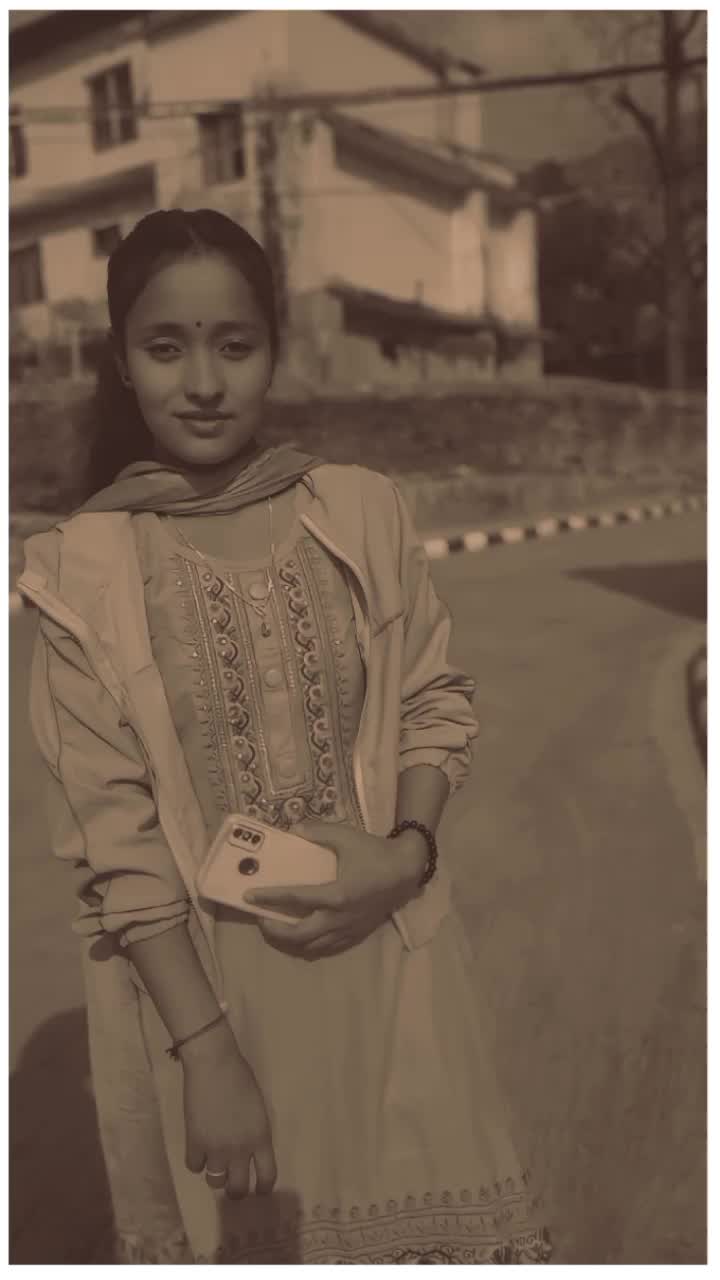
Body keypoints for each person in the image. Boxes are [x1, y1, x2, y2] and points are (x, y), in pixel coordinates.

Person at [20, 209, 553, 1265]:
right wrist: (209, 1057)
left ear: (275, 348)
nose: (203, 382)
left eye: (235, 344)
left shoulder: (360, 513)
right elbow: (119, 851)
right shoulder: (82, 571)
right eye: (166, 348)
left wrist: (404, 856)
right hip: (213, 1008)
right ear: (121, 362)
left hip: (396, 972)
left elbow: (432, 703)